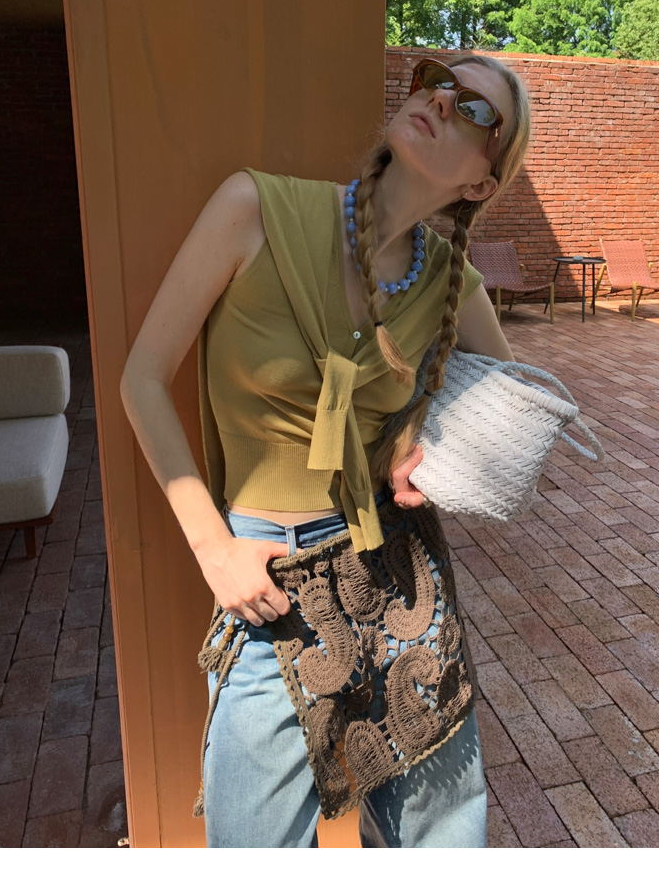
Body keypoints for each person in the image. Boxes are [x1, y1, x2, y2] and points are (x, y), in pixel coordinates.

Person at [121, 53, 530, 848]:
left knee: (445, 845)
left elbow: (510, 418)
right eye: (436, 81)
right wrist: (214, 551)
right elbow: (141, 378)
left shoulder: (450, 285)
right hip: (269, 580)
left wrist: (424, 445)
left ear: (482, 182)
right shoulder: (254, 209)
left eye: (474, 110)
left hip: (400, 576)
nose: (441, 100)